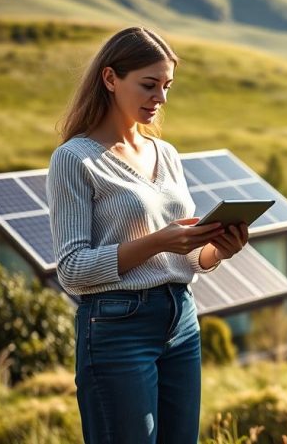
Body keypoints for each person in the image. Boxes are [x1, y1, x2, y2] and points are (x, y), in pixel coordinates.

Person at [47, 26, 249, 444]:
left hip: (182, 319)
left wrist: (217, 251)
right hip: (117, 326)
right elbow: (71, 270)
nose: (161, 98)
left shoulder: (168, 154)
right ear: (110, 79)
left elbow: (187, 257)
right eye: (149, 85)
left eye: (167, 86)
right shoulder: (74, 159)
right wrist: (158, 240)